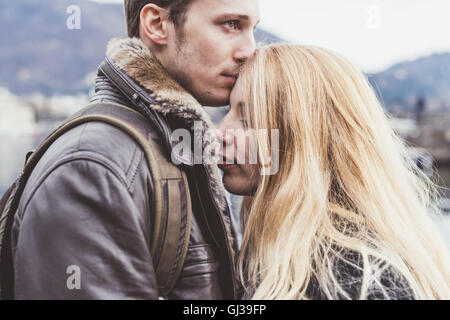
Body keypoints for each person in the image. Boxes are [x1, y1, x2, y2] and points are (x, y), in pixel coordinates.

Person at [11, 0, 260, 299]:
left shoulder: (174, 142)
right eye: (231, 24)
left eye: (252, 30)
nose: (250, 51)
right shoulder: (92, 168)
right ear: (156, 24)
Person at [217, 44, 450, 300]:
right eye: (228, 111)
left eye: (248, 119)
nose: (221, 132)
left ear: (302, 138)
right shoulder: (277, 251)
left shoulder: (362, 280)